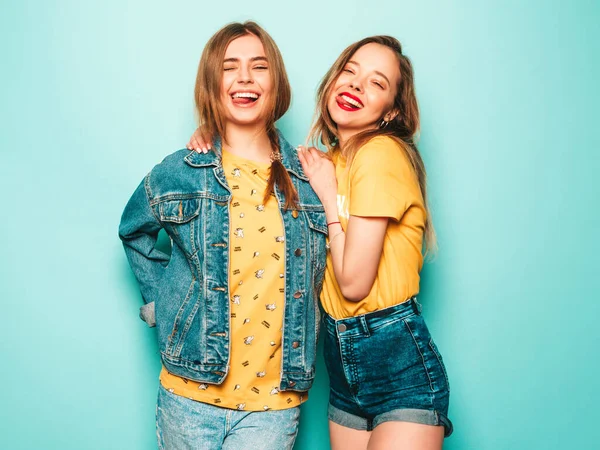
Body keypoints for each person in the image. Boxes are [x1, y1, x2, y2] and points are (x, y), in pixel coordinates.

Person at [119, 21, 327, 449]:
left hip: (273, 404)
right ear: (212, 83)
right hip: (189, 395)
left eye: (259, 66)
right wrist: (165, 305)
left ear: (277, 82)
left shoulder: (313, 176)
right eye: (230, 67)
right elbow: (133, 231)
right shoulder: (179, 171)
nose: (245, 77)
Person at [297, 36, 452, 449]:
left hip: (398, 363)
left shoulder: (381, 153)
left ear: (391, 112)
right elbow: (255, 163)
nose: (356, 85)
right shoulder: (332, 160)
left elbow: (353, 284)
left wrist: (329, 197)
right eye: (350, 71)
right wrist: (210, 131)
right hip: (341, 363)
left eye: (376, 83)